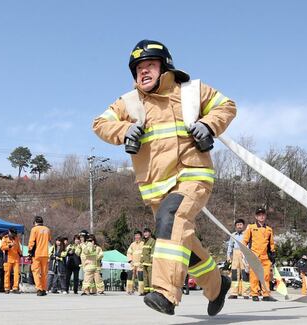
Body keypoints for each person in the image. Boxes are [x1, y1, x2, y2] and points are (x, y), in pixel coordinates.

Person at [93, 39, 236, 316]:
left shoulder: (192, 92)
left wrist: (208, 125)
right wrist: (123, 130)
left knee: (172, 219)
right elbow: (100, 123)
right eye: (137, 69)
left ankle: (165, 293)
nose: (143, 72)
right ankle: (217, 285)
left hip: (192, 175)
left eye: (149, 65)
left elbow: (226, 106)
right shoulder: (130, 102)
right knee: (184, 245)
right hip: (156, 187)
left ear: (165, 67)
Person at [242, 207, 277, 302]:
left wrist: (273, 253)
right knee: (254, 276)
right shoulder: (251, 227)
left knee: (266, 275)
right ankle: (254, 293)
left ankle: (266, 294)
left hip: (265, 256)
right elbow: (244, 241)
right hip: (254, 255)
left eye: (263, 215)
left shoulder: (269, 229)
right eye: (259, 215)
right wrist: (244, 253)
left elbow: (271, 243)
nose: (261, 216)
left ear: (265, 216)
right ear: (256, 217)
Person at [28, 215, 51, 296]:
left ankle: (39, 289)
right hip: (45, 254)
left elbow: (32, 242)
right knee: (44, 273)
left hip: (36, 254)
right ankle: (44, 289)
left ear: (35, 222)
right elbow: (48, 240)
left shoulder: (34, 229)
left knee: (36, 272)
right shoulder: (47, 229)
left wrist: (30, 253)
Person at [227, 219, 250, 299]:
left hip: (245, 254)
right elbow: (230, 245)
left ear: (243, 226)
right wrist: (228, 256)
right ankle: (234, 293)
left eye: (241, 224)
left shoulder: (247, 234)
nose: (239, 226)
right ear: (235, 226)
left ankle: (246, 293)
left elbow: (250, 245)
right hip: (235, 253)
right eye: (238, 225)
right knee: (234, 274)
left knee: (245, 274)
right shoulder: (233, 235)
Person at [1, 228, 22, 294]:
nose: (13, 235)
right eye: (12, 233)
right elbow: (2, 247)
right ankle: (7, 288)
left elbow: (18, 247)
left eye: (15, 234)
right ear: (9, 232)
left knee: (16, 274)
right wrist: (9, 246)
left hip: (16, 259)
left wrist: (21, 254)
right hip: (8, 258)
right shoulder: (5, 238)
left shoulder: (16, 238)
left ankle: (15, 288)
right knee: (7, 273)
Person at [126, 231, 144, 295]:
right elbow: (129, 253)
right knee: (130, 277)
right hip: (133, 264)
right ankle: (129, 290)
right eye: (135, 235)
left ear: (141, 236)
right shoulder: (132, 244)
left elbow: (144, 254)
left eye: (138, 235)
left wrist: (142, 262)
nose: (136, 237)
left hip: (140, 264)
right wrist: (130, 261)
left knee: (141, 278)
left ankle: (141, 291)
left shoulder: (143, 244)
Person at [141, 228, 155, 295]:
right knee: (145, 277)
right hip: (144, 262)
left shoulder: (152, 241)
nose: (145, 234)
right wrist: (141, 261)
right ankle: (146, 290)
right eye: (144, 232)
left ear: (150, 233)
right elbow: (143, 252)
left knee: (150, 277)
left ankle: (152, 290)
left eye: (147, 232)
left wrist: (152, 261)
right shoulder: (144, 241)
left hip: (150, 263)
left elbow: (153, 252)